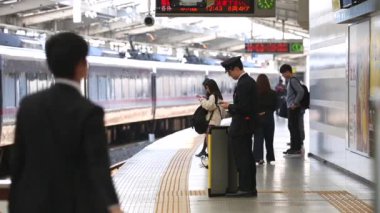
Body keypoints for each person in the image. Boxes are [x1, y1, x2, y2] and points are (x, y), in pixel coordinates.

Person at [9, 32, 123, 213]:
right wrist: (113, 207)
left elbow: (17, 162)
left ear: (49, 65)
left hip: (31, 205)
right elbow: (98, 168)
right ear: (82, 66)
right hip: (75, 205)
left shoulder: (28, 105)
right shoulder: (89, 112)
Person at [219, 56, 257, 197]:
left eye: (229, 72)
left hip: (241, 127)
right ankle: (249, 187)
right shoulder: (247, 82)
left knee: (243, 158)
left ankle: (246, 188)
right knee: (247, 157)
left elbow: (244, 107)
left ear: (236, 68)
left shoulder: (244, 83)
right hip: (245, 126)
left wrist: (230, 106)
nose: (229, 75)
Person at [195, 79, 225, 157]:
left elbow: (210, 106)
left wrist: (202, 100)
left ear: (211, 87)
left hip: (213, 120)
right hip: (216, 120)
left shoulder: (213, 95)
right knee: (208, 135)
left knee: (209, 137)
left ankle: (210, 155)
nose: (207, 90)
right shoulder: (218, 95)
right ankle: (204, 151)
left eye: (207, 88)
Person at [279, 64, 305, 156]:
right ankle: (293, 147)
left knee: (294, 128)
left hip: (293, 108)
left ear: (287, 72)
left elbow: (301, 91)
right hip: (291, 107)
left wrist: (295, 103)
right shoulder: (291, 80)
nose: (283, 76)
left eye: (283, 73)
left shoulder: (293, 80)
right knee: (292, 127)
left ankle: (296, 148)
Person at [253, 74, 277, 164]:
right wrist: (267, 112)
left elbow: (252, 106)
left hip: (258, 118)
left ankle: (258, 158)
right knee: (269, 139)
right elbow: (275, 106)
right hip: (269, 118)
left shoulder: (254, 93)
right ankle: (270, 158)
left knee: (258, 139)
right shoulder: (273, 93)